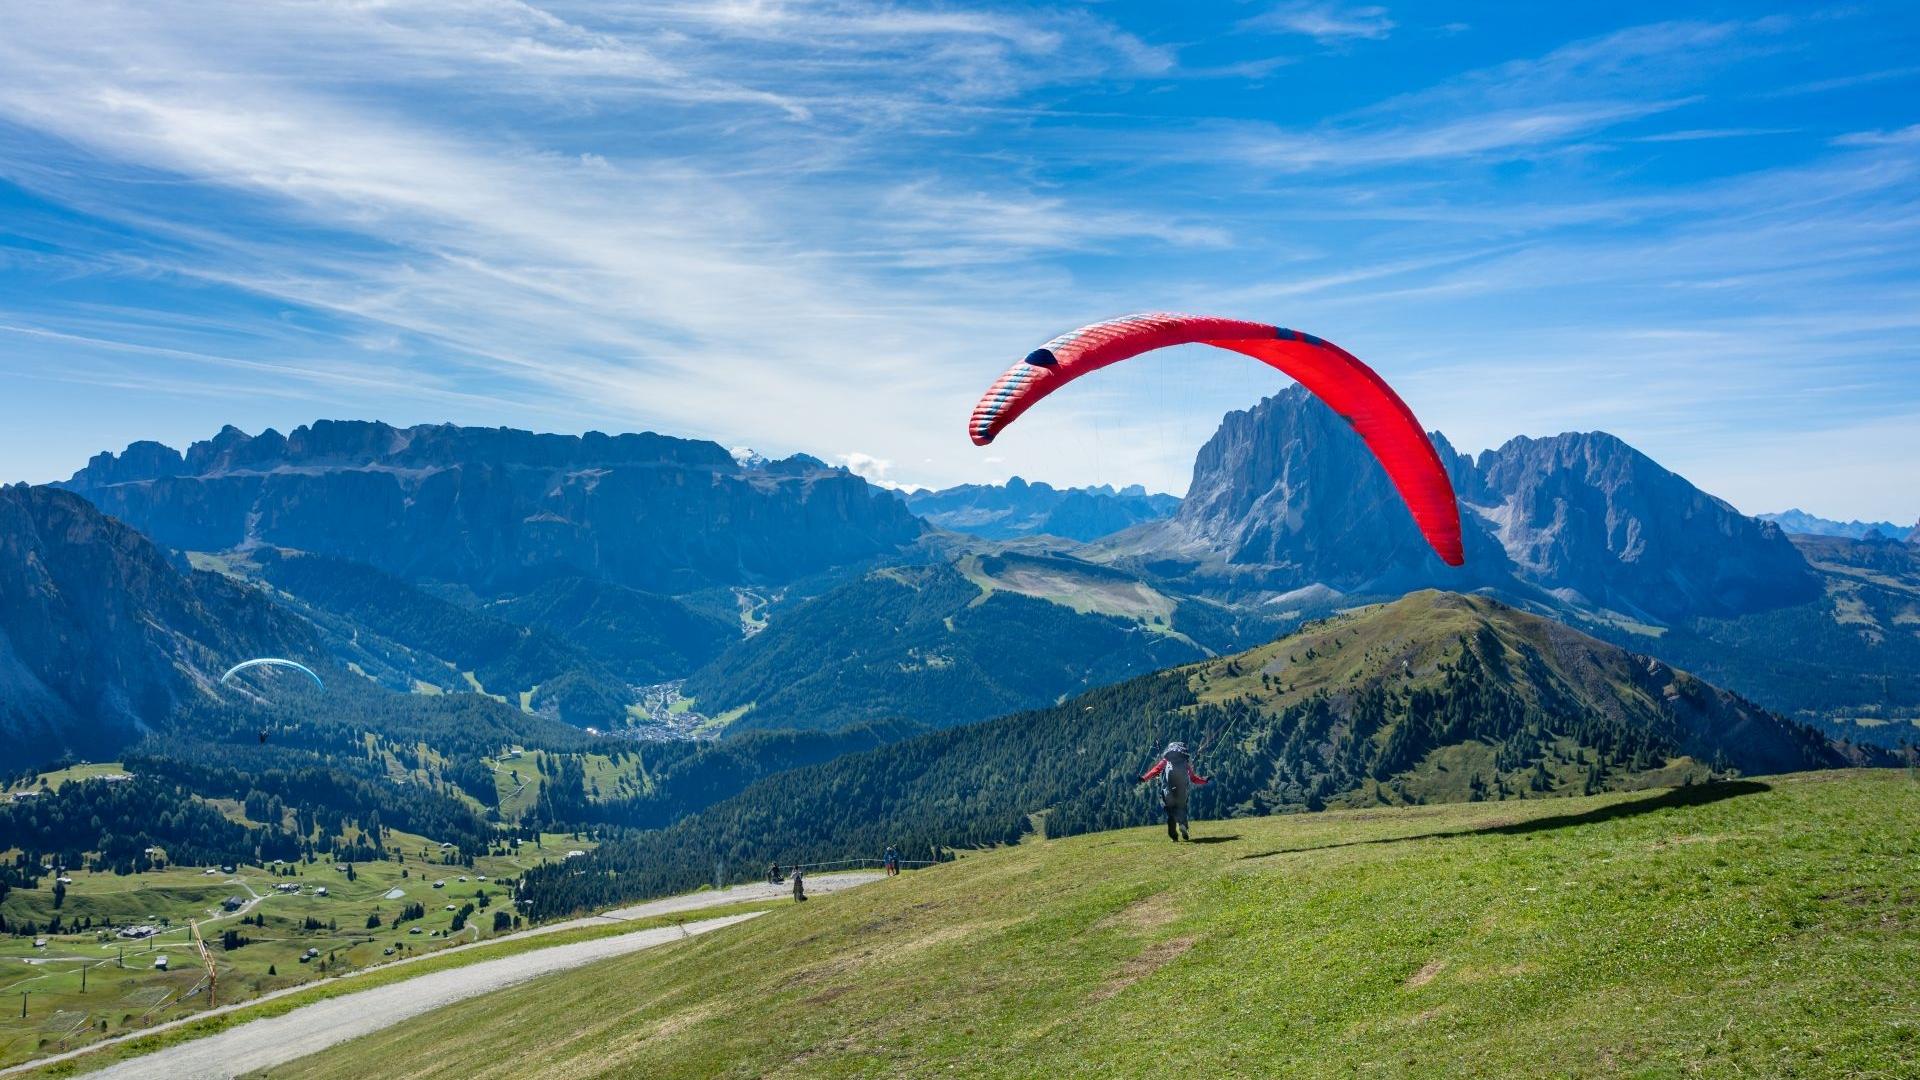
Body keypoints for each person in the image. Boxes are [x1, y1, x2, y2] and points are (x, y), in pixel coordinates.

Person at [1140, 741, 1209, 841]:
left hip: (1167, 792)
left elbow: (1155, 771)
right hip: (1182, 792)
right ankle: (1183, 825)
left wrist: (1144, 778)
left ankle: (1174, 836)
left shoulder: (1165, 761)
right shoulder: (1185, 763)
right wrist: (1205, 780)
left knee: (1170, 813)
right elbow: (1193, 778)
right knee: (1182, 809)